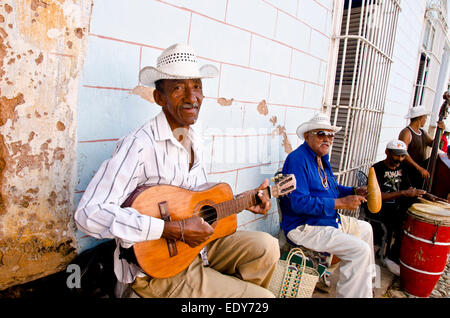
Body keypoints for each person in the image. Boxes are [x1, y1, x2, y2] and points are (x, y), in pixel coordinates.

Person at [74, 43, 280, 298]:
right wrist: (170, 229)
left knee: (267, 247)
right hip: (157, 268)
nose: (191, 97)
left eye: (197, 86)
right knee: (263, 300)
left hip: (197, 249)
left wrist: (245, 202)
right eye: (179, 88)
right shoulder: (139, 145)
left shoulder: (195, 137)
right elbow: (88, 214)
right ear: (160, 97)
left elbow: (195, 204)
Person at [279, 112, 376, 298]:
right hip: (305, 226)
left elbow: (331, 188)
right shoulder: (297, 160)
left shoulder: (322, 158)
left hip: (327, 220)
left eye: (331, 135)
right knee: (360, 251)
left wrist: (354, 191)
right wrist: (340, 203)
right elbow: (298, 203)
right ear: (307, 136)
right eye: (321, 133)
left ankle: (362, 287)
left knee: (366, 229)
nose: (327, 139)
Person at [370, 140, 425, 276]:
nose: (400, 159)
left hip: (397, 206)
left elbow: (406, 187)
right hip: (381, 208)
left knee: (413, 219)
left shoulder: (402, 168)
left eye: (402, 156)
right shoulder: (377, 169)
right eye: (397, 155)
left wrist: (413, 192)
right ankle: (391, 257)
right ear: (387, 152)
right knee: (401, 224)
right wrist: (402, 193)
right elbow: (377, 196)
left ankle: (397, 255)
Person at [398, 106, 446, 189]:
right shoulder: (406, 132)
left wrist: (440, 131)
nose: (426, 120)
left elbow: (435, 145)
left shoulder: (423, 132)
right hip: (408, 172)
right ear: (420, 118)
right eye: (425, 118)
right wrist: (419, 168)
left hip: (419, 172)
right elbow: (403, 154)